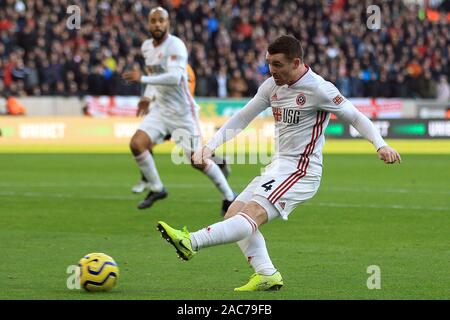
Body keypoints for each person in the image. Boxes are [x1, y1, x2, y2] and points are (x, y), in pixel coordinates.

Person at [156, 35, 402, 291]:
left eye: (277, 64)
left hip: (302, 171)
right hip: (279, 166)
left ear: (296, 62)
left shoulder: (319, 89)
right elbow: (242, 117)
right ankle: (266, 274)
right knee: (234, 214)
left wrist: (380, 144)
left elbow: (355, 117)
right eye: (268, 63)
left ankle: (190, 241)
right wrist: (209, 147)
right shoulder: (271, 86)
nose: (271, 70)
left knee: (250, 216)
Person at [123, 7, 236, 214]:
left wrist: (142, 79)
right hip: (159, 110)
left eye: (161, 21)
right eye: (153, 21)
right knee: (137, 144)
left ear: (168, 23)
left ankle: (229, 196)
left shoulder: (176, 46)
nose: (157, 24)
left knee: (197, 161)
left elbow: (174, 78)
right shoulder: (146, 47)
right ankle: (157, 188)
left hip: (182, 112)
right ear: (148, 24)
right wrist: (147, 97)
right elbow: (155, 76)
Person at [131, 63, 231, 193]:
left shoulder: (183, 69)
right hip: (163, 115)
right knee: (145, 144)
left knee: (195, 156)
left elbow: (185, 92)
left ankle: (220, 163)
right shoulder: (163, 65)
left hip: (180, 116)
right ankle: (146, 179)